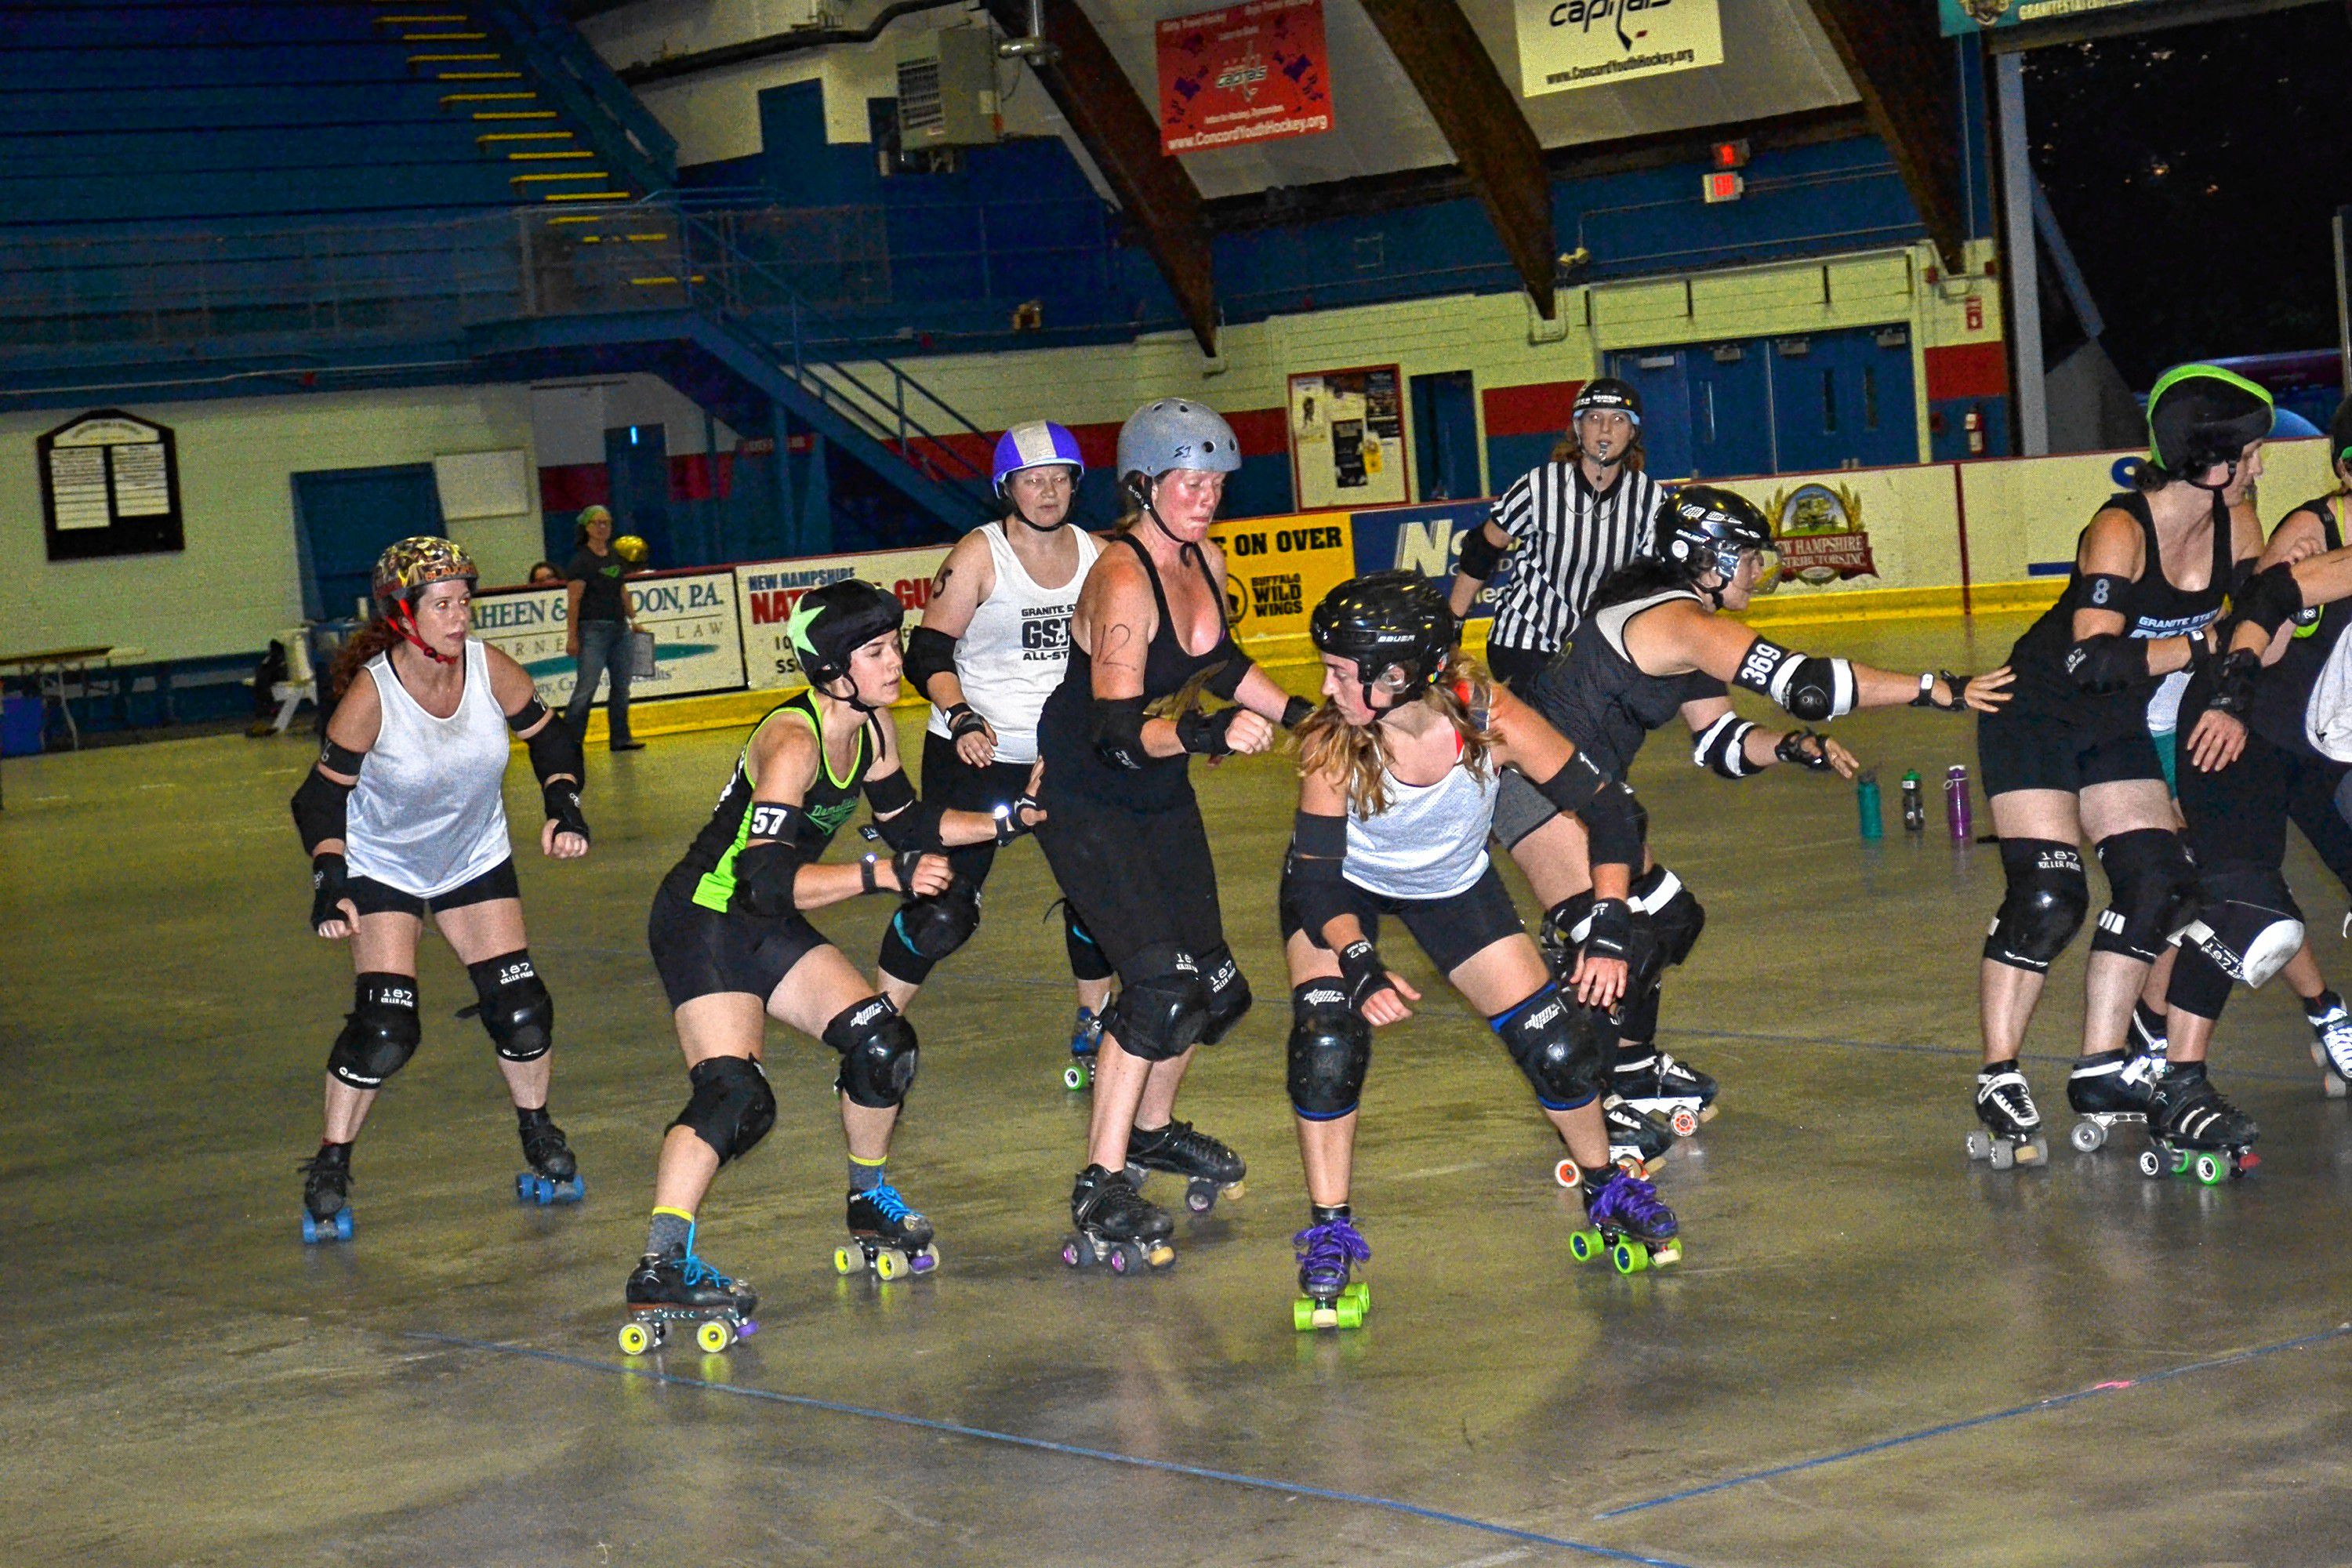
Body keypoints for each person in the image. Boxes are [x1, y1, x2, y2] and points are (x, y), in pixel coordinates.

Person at [1488, 487, 2009, 1152]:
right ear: (1706, 557)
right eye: (1747, 558)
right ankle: (1591, 1104)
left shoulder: (1685, 619)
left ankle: (1634, 1066)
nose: (1757, 572)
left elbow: (1721, 745)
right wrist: (1935, 689)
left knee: (1672, 918)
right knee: (1620, 944)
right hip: (1533, 789)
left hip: (1586, 795)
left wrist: (1792, 747)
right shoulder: (1681, 622)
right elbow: (1811, 685)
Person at [622, 579, 1043, 1348]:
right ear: (833, 671)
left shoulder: (874, 726)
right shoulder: (794, 741)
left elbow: (910, 820)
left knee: (884, 1045)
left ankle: (867, 1195)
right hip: (707, 918)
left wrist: (1009, 818)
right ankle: (661, 1263)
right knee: (734, 1095)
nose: (895, 663)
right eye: (877, 652)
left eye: (893, 646)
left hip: (765, 918)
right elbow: (766, 878)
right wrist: (881, 875)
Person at [1283, 572, 1673, 1326]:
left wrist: (1612, 924)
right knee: (1328, 1042)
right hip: (1344, 893)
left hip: (1453, 888)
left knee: (1557, 1047)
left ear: (1396, 676)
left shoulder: (1488, 716)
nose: (1325, 687)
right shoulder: (1331, 745)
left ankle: (1605, 1185)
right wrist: (1359, 964)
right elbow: (1319, 886)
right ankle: (1330, 1229)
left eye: (1340, 670)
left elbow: (1612, 813)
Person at [1033, 397, 1315, 1273]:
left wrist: (1307, 715)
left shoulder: (1204, 556)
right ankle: (1101, 1178)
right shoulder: (1121, 579)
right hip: (1089, 796)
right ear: (1144, 486)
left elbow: (1218, 664)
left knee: (1213, 990)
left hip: (1156, 790)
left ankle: (1151, 1133)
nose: (1206, 498)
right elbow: (1116, 732)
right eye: (1190, 483)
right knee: (1157, 985)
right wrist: (1207, 734)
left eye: (1216, 483)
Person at [1969, 365, 2269, 1169]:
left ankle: (2101, 1067)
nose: (2259, 468)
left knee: (2159, 880)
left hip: (2116, 721)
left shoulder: (2241, 525)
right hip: (2033, 708)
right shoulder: (2120, 528)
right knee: (2049, 893)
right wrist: (2208, 644)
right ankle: (1998, 1073)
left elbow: (2257, 625)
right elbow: (2089, 658)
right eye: (2251, 454)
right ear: (2213, 463)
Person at [289, 537, 593, 1243]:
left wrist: (563, 802)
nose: (460, 618)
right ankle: (331, 1164)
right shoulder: (374, 692)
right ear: (405, 613)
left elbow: (552, 739)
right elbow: (319, 798)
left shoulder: (490, 669)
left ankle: (538, 1131)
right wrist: (330, 879)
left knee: (521, 1009)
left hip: (471, 857)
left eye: (465, 603)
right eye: (443, 605)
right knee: (386, 1029)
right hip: (383, 865)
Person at [2125, 393, 2352, 1174]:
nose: (2260, 466)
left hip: (2322, 751)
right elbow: (2270, 603)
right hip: (2241, 731)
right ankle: (2167, 1064)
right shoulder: (2307, 533)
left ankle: (2159, 1045)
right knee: (2239, 906)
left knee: (2250, 909)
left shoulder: (2271, 520)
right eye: (2250, 455)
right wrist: (2229, 694)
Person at [891, 421, 1115, 1084]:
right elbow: (926, 651)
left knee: (1097, 897)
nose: (1046, 492)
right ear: (1006, 488)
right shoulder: (979, 555)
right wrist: (960, 716)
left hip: (1063, 759)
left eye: (1058, 478)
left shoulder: (1102, 557)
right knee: (942, 907)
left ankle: (1093, 1023)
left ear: (1075, 483)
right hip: (974, 753)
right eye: (1031, 479)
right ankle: (876, 1018)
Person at [1446, 378, 1665, 688]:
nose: (1605, 430)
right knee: (1553, 728)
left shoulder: (1650, 498)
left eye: (1618, 419)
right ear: (1578, 429)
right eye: (1594, 418)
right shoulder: (1539, 485)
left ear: (1633, 432)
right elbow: (1481, 548)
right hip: (1524, 640)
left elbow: (1653, 582)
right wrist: (1453, 622)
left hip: (1595, 647)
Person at [564, 504, 646, 752]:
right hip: (593, 630)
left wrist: (633, 618)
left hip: (620, 629)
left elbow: (621, 588)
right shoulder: (581, 562)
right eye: (597, 523)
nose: (602, 528)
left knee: (622, 686)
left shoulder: (615, 557)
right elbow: (574, 601)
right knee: (586, 688)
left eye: (606, 523)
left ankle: (620, 737)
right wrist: (573, 637)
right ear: (587, 528)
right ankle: (569, 742)